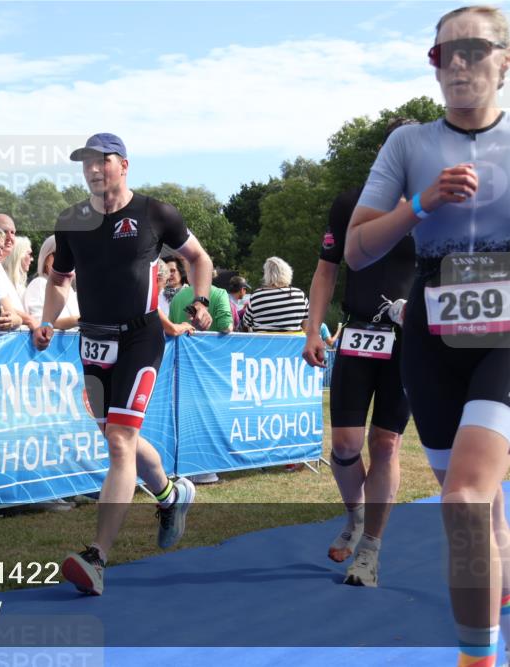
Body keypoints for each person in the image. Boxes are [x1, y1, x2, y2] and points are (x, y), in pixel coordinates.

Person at [345, 6, 510, 664]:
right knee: (478, 506)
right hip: (434, 339)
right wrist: (420, 205)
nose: (460, 63)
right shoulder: (407, 145)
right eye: (446, 54)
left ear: (506, 59)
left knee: (463, 497)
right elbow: (356, 249)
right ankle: (496, 579)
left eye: (475, 49)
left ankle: (476, 659)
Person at [33, 132, 214, 595]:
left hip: (140, 336)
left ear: (124, 165)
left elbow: (198, 257)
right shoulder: (71, 221)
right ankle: (173, 494)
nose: (94, 170)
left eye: (103, 161)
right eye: (86, 163)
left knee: (119, 440)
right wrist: (47, 321)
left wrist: (198, 299)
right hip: (93, 341)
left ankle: (96, 557)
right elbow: (58, 280)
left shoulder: (156, 213)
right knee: (119, 439)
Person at [302, 118, 419, 588]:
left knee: (385, 444)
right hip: (356, 334)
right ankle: (354, 516)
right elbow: (326, 271)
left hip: (411, 344)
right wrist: (313, 329)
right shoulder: (352, 202)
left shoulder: (437, 206)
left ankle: (370, 549)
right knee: (345, 445)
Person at [24, 235, 81, 330]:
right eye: (59, 255)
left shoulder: (69, 289)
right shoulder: (39, 283)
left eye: (71, 254)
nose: (66, 260)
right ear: (46, 258)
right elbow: (40, 323)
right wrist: (81, 320)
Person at [240, 257, 309, 332]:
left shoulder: (256, 296)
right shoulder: (299, 294)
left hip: (263, 343)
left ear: (266, 275)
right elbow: (307, 327)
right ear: (288, 273)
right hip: (293, 342)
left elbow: (246, 323)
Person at [169, 271, 234, 332]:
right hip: (212, 343)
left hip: (182, 344)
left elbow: (170, 328)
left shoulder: (177, 297)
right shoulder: (220, 293)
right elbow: (226, 327)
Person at [2, 234, 33, 304]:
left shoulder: (18, 284)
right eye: (29, 254)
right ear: (18, 255)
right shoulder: (3, 282)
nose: (32, 259)